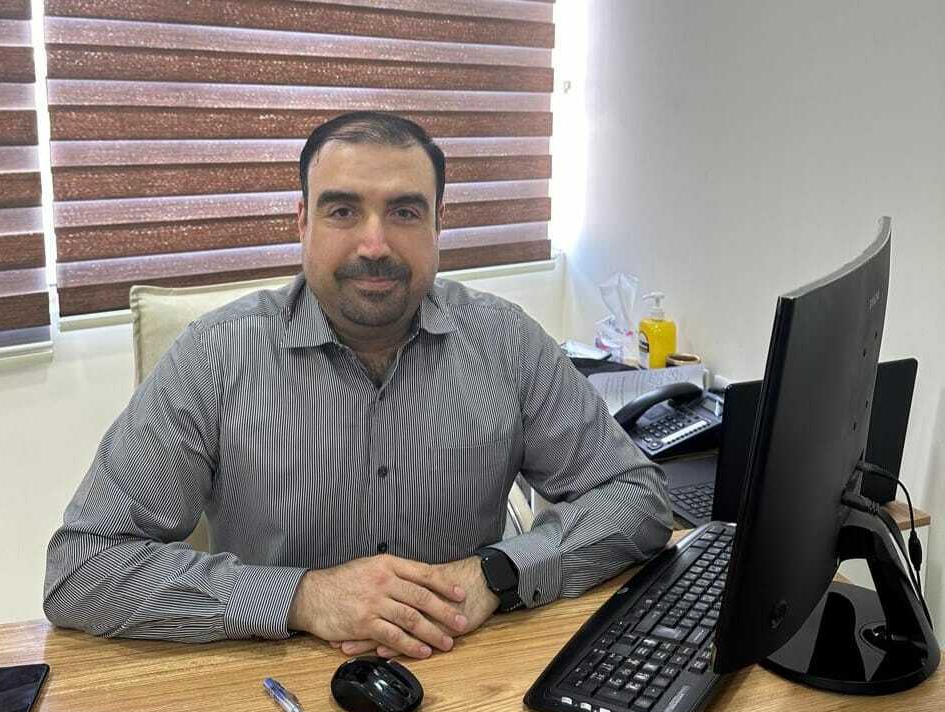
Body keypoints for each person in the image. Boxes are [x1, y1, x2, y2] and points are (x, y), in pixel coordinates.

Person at [44, 112, 672, 657]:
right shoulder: (216, 358)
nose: (375, 244)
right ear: (302, 221)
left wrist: (499, 572)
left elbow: (637, 498)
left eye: (404, 212)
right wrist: (303, 597)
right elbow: (80, 568)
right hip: (275, 686)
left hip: (467, 669)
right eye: (343, 210)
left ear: (438, 223)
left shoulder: (506, 343)